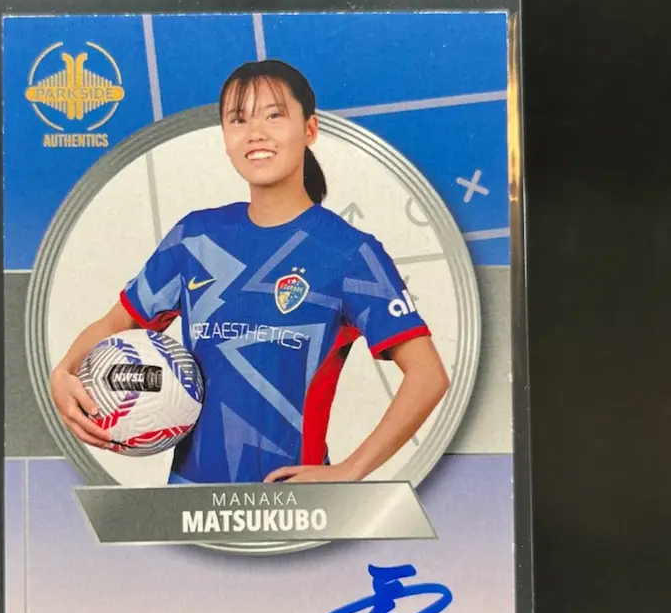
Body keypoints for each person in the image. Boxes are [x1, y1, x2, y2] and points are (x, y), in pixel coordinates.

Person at [50, 59, 450, 485]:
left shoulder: (349, 252)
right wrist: (64, 372)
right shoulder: (195, 238)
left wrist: (350, 471)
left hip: (292, 503)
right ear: (225, 137)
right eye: (238, 119)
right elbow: (118, 323)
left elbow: (428, 375)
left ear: (310, 129)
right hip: (188, 502)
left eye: (274, 115)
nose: (255, 132)